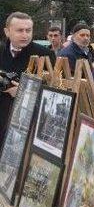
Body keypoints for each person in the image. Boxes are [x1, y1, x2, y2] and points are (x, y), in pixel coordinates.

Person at [0, 12, 56, 144]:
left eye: (28, 30)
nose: (25, 35)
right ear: (7, 32)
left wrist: (24, 91)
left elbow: (55, 89)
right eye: (20, 30)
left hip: (26, 124)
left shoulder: (45, 54)